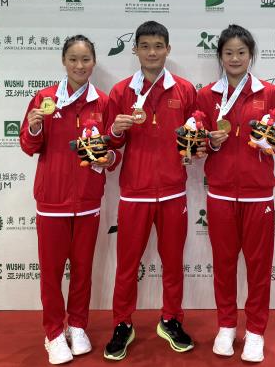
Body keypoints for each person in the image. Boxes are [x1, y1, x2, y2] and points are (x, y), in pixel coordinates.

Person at [20, 35, 120, 365]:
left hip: (88, 201)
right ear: (64, 61)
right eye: (73, 59)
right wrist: (35, 127)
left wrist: (108, 159)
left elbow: (112, 152)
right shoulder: (45, 99)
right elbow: (29, 146)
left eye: (86, 59)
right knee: (51, 274)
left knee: (82, 270)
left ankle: (77, 326)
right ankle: (52, 333)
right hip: (52, 201)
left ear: (94, 63)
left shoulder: (103, 102)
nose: (80, 66)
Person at [103, 21, 197, 361]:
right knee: (127, 265)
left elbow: (195, 134)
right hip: (134, 193)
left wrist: (196, 146)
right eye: (145, 46)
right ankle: (122, 324)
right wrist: (116, 129)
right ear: (136, 50)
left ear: (168, 49)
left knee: (173, 263)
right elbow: (109, 144)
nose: (152, 52)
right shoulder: (121, 92)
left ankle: (171, 319)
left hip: (173, 192)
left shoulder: (184, 90)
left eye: (158, 45)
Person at [196, 24, 275, 363]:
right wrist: (209, 142)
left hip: (258, 194)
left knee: (258, 267)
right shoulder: (207, 95)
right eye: (228, 53)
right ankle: (226, 325)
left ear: (251, 55)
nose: (235, 59)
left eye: (241, 53)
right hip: (220, 193)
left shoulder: (270, 93)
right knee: (223, 264)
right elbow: (196, 145)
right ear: (219, 56)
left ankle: (256, 331)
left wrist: (269, 140)